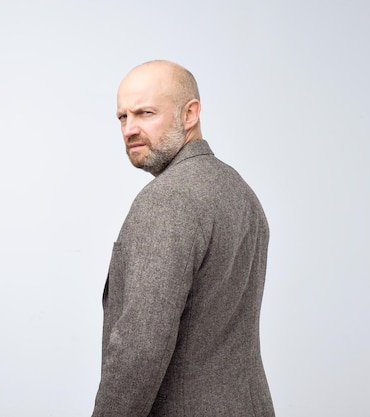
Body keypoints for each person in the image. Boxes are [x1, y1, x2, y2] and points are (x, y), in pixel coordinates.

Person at [92, 60, 275, 417]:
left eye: (145, 113)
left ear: (190, 114)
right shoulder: (239, 192)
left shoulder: (168, 199)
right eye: (122, 117)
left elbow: (139, 348)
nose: (130, 129)